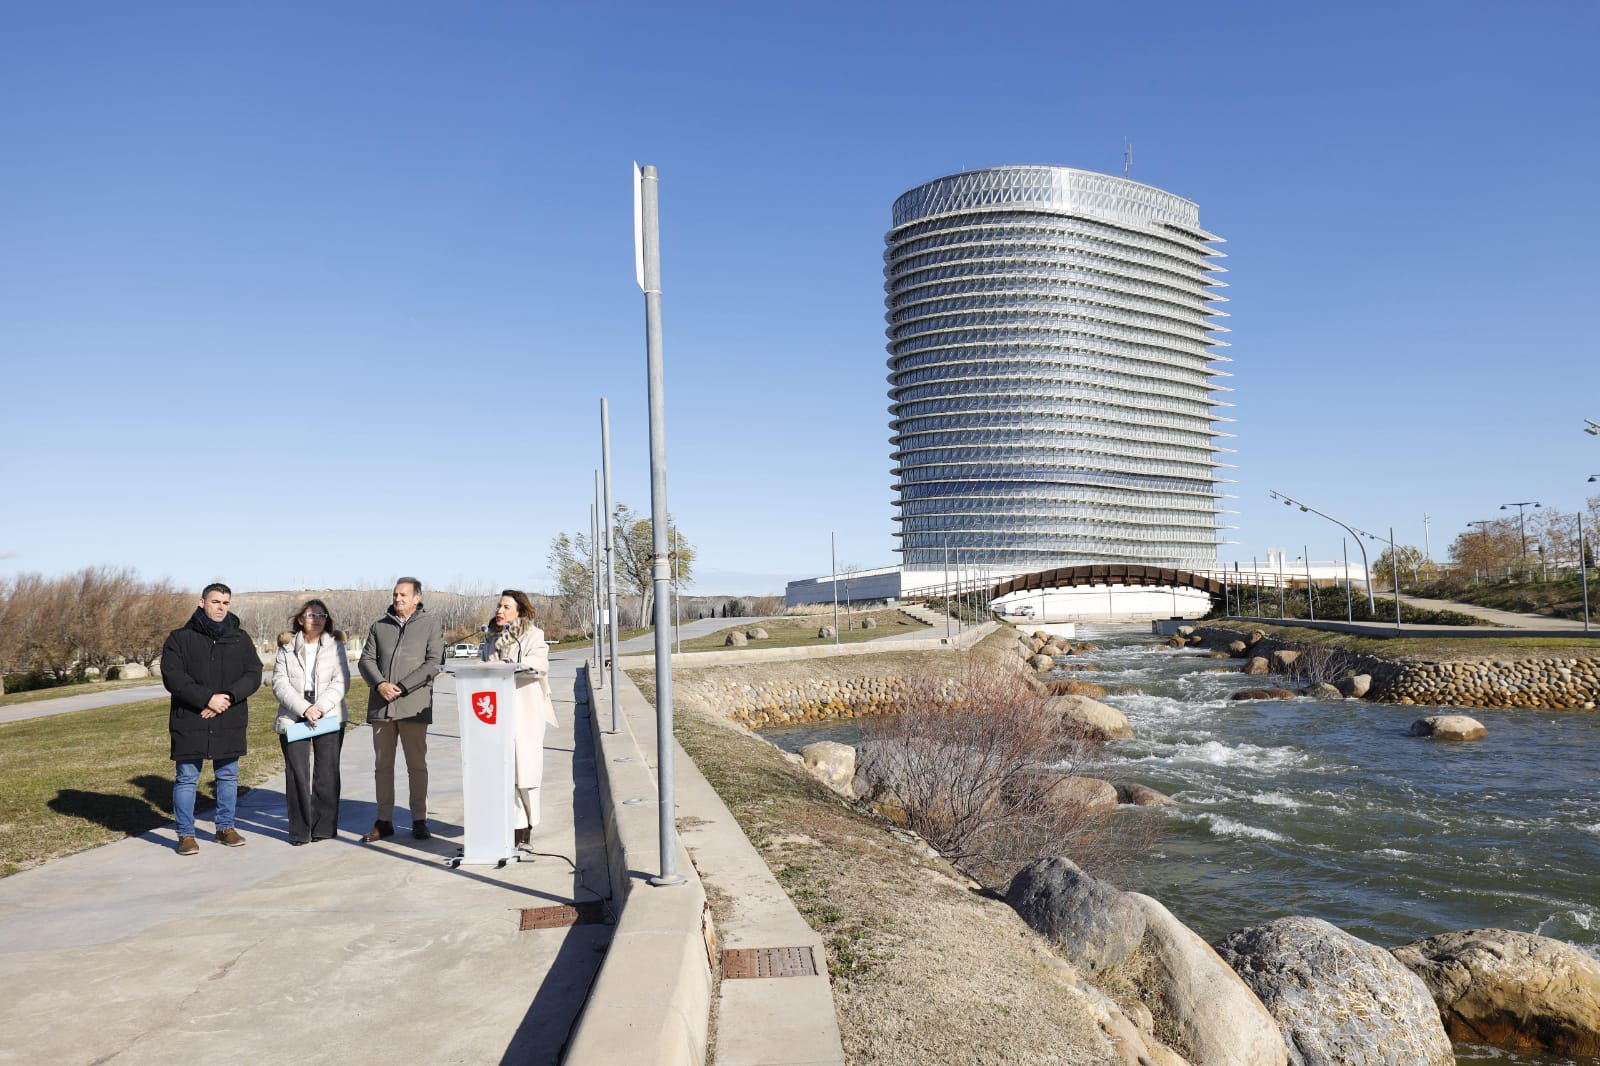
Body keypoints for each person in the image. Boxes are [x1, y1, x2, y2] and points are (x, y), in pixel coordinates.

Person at [161, 582, 263, 856]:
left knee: (228, 776)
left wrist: (226, 698)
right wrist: (206, 699)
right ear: (202, 602)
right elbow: (174, 677)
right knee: (186, 777)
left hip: (228, 716)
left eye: (226, 603)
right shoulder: (179, 638)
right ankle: (185, 834)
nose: (221, 607)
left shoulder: (240, 638)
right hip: (190, 717)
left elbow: (253, 674)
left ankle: (225, 828)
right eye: (216, 602)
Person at [358, 577, 445, 841]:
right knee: (382, 767)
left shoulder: (430, 625)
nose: (398, 599)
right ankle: (384, 821)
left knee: (416, 766)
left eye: (404, 595)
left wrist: (403, 687)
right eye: (395, 594)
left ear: (417, 598)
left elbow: (433, 663)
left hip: (413, 707)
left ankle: (419, 819)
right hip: (382, 708)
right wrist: (380, 684)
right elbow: (366, 660)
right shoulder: (379, 626)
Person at [479, 589, 557, 848]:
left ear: (519, 612)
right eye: (498, 606)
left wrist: (509, 664)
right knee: (504, 774)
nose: (499, 611)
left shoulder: (533, 636)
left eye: (505, 607)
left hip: (524, 715)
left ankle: (527, 828)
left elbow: (539, 666)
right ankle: (514, 829)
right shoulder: (491, 639)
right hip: (496, 715)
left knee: (525, 773)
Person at [271, 599, 350, 845]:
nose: (316, 619)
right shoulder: (286, 647)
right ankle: (300, 831)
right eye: (310, 614)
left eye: (321, 615)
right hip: (294, 715)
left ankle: (324, 828)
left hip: (328, 714)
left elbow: (341, 680)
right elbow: (279, 683)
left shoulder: (336, 645)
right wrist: (305, 708)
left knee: (327, 774)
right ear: (300, 619)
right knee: (297, 775)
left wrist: (320, 708)